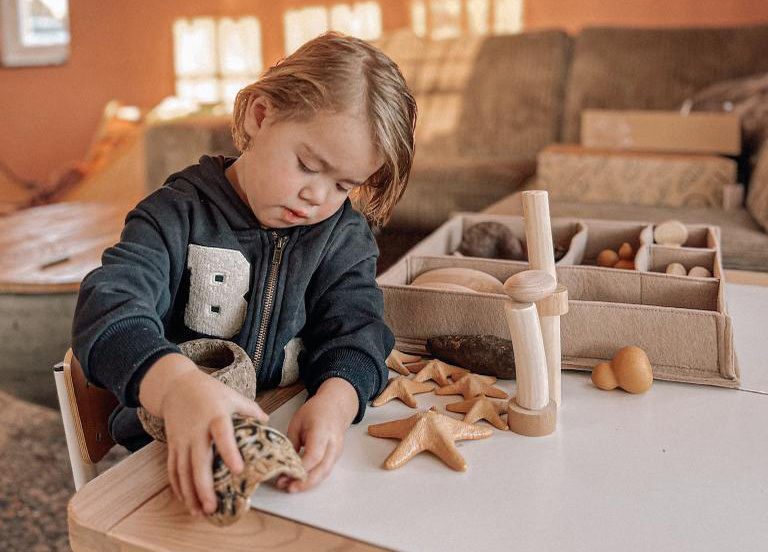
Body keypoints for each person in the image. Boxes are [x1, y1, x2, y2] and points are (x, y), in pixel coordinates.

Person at [72, 31, 417, 517]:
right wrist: (175, 388)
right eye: (307, 165)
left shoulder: (342, 236)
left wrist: (337, 402)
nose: (317, 197)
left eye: (343, 185)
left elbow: (358, 330)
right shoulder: (174, 215)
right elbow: (106, 310)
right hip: (171, 453)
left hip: (282, 444)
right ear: (260, 116)